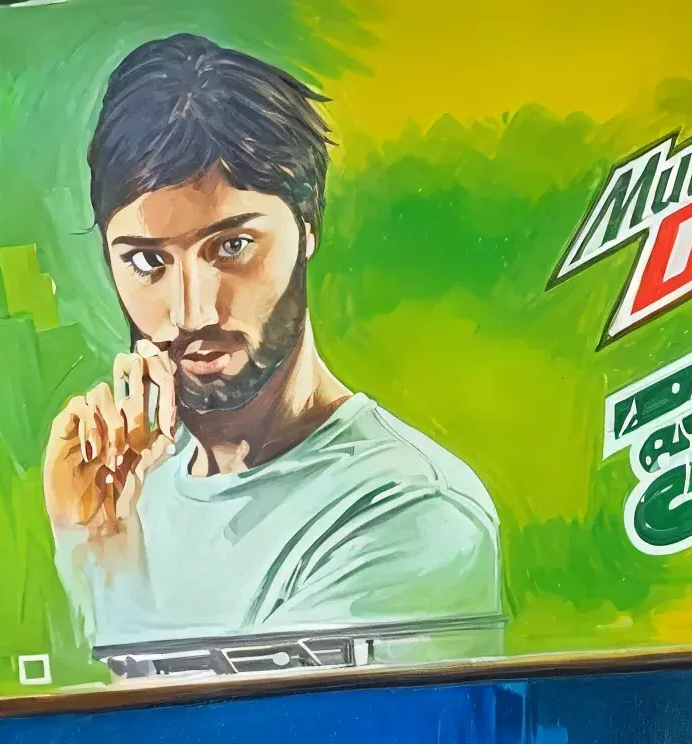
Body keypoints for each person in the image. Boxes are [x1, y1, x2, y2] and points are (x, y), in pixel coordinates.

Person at [39, 33, 503, 669]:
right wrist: (97, 547)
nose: (192, 311)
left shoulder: (411, 511)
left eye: (231, 247)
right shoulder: (130, 499)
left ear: (307, 225)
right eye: (148, 261)